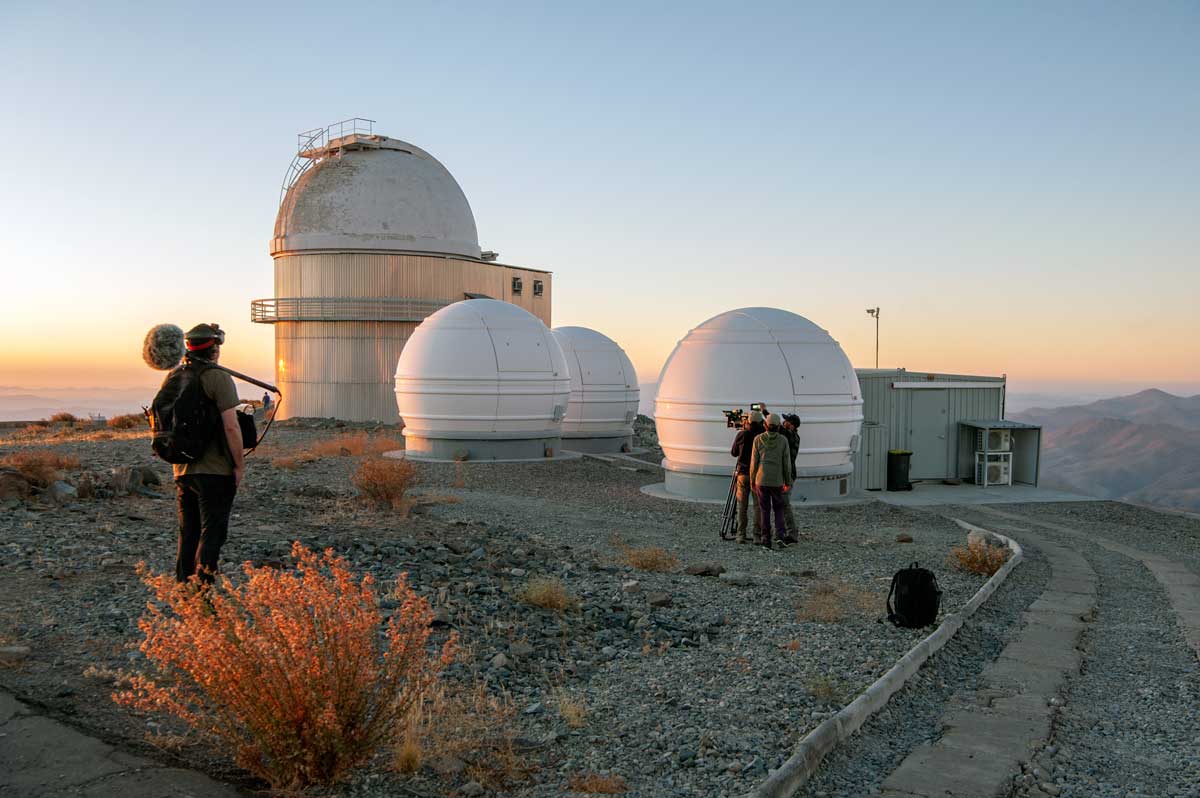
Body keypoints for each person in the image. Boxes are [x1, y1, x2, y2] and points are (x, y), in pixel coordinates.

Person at [173, 323, 245, 584]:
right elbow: (231, 425)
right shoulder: (218, 378)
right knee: (212, 533)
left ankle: (184, 592)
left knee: (188, 533)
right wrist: (239, 465)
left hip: (182, 469)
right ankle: (202, 595)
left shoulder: (176, 377)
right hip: (215, 471)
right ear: (214, 349)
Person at [749, 413, 794, 549]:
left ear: (765, 425)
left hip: (761, 480)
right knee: (778, 509)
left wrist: (752, 480)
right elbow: (786, 463)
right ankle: (780, 535)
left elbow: (754, 463)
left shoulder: (758, 439)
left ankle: (766, 539)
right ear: (779, 427)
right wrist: (788, 481)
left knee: (764, 510)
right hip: (777, 480)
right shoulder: (783, 441)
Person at [729, 410, 765, 544]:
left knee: (742, 506)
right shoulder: (763, 436)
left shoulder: (742, 434)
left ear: (748, 422)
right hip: (758, 475)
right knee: (758, 506)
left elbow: (734, 452)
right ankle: (757, 535)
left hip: (743, 473)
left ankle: (740, 535)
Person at [778, 414, 802, 544]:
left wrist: (765, 412)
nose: (784, 422)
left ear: (792, 425)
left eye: (786, 421)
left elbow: (781, 430)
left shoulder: (792, 437)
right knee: (782, 504)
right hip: (787, 474)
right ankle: (783, 531)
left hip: (788, 475)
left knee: (785, 504)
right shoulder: (791, 436)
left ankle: (792, 533)